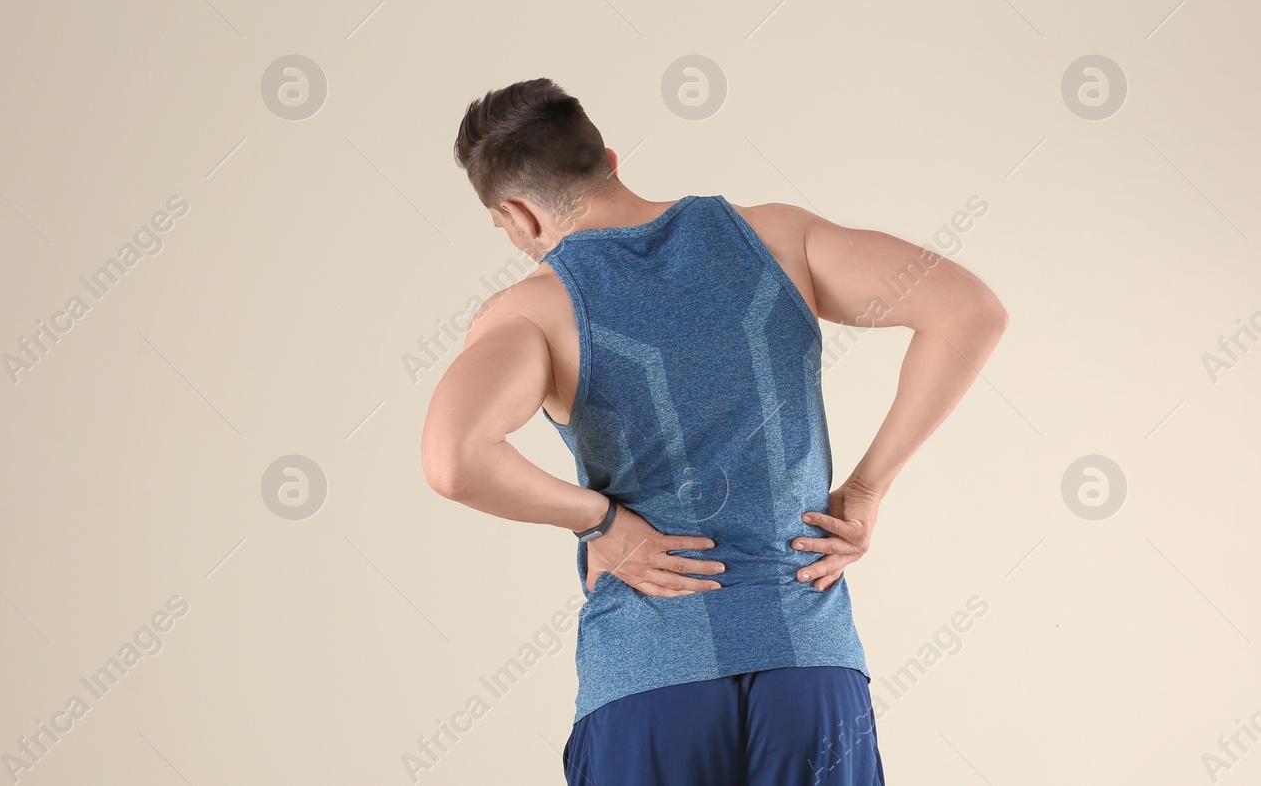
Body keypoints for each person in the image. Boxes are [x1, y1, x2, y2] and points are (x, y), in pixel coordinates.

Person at [420, 78, 1008, 785]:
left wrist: (601, 520)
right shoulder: (779, 237)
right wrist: (867, 488)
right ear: (605, 157)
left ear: (516, 211)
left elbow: (454, 459)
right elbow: (970, 310)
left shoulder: (533, 310)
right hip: (809, 671)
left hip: (650, 681)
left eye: (504, 228)